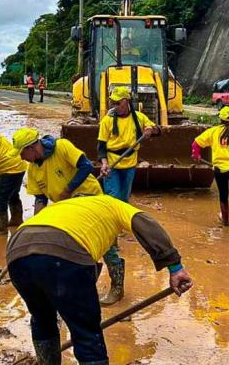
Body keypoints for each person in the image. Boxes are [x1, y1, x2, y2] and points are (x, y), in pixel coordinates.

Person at [6, 194, 193, 364]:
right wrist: (175, 267)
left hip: (17, 251)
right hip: (63, 250)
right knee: (86, 332)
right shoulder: (111, 204)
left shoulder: (63, 208)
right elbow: (144, 221)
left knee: (42, 318)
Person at [96, 86, 158, 305]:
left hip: (129, 164)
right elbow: (101, 146)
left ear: (127, 102)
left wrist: (150, 129)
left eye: (118, 102)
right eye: (112, 102)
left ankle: (116, 231)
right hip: (113, 164)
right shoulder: (107, 120)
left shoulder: (138, 117)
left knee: (123, 201)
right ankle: (111, 238)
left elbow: (155, 129)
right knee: (112, 200)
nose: (114, 106)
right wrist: (104, 163)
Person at [6, 127, 102, 215]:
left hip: (90, 198)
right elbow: (40, 198)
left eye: (22, 154)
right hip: (67, 206)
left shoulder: (61, 146)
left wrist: (68, 190)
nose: (22, 158)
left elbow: (86, 166)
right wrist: (37, 220)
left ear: (31, 148)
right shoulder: (32, 170)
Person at [192, 106, 229, 236]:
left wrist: (196, 155)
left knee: (223, 194)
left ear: (220, 119)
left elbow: (196, 143)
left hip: (220, 169)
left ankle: (225, 221)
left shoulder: (214, 131)